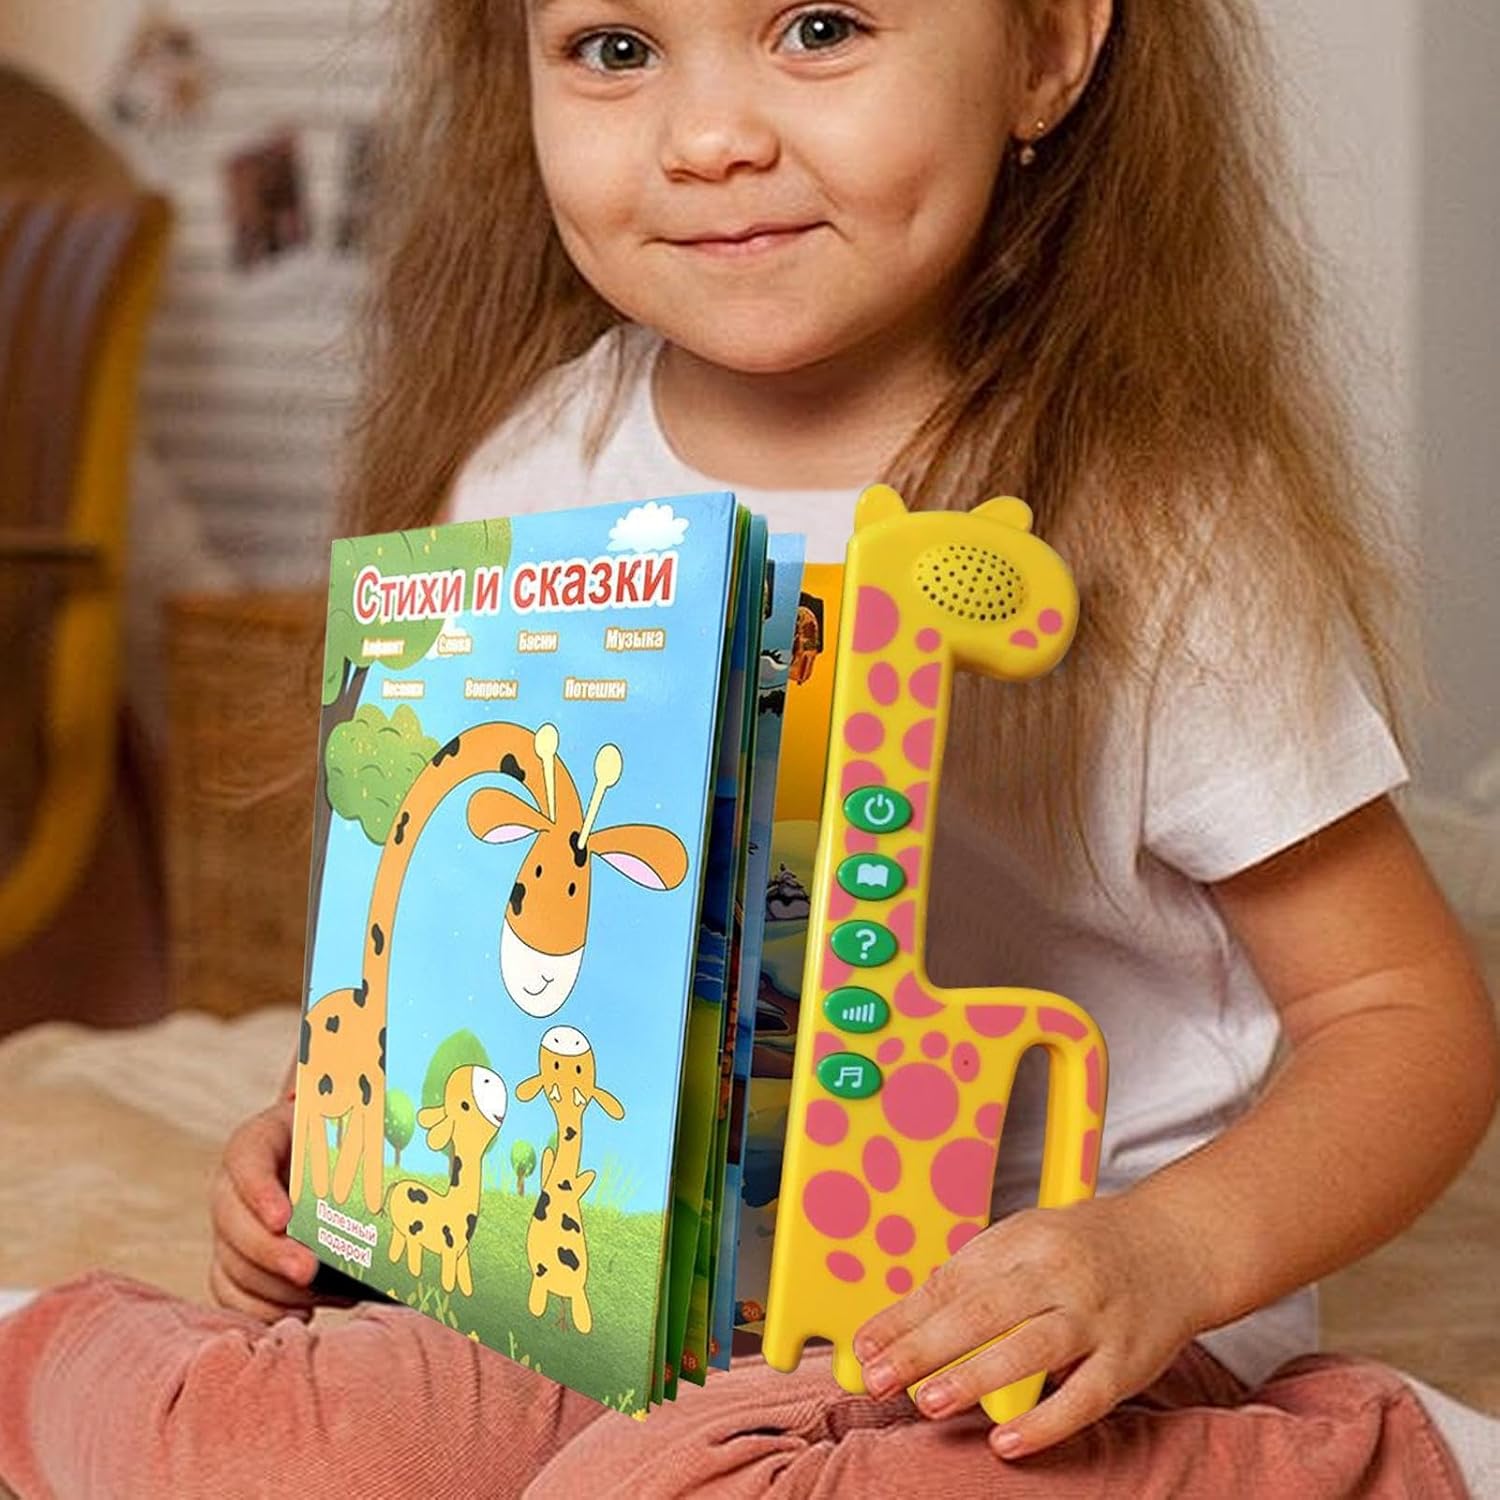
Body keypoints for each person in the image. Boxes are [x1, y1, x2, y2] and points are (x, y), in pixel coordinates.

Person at [2, 0, 1497, 1495]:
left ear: (1044, 53)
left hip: (1020, 1330)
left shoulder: (1159, 522)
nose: (709, 139)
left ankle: (1379, 1458)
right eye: (615, 49)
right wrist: (332, 1145)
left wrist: (1166, 1250)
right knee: (272, 1450)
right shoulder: (537, 469)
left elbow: (1399, 1016)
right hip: (615, 1279)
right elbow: (477, 935)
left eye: (820, 27)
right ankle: (49, 1350)